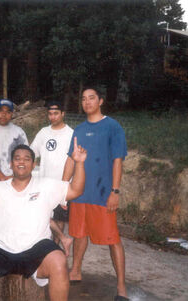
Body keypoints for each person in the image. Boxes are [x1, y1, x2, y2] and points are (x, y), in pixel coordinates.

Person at [0, 142, 87, 301]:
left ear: (33, 164)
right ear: (11, 164)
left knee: (59, 261)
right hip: (0, 245)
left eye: (26, 159)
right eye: (17, 158)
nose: (21, 161)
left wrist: (79, 163)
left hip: (37, 246)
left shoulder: (47, 185)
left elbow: (75, 190)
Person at [62, 87, 129, 300]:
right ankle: (75, 269)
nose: (87, 102)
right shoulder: (79, 130)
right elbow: (71, 160)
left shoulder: (112, 127)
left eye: (92, 98)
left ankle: (121, 286)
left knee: (112, 239)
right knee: (79, 234)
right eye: (83, 99)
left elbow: (118, 160)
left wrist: (115, 191)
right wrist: (63, 189)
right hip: (80, 193)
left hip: (102, 194)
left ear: (100, 101)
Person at [30, 101, 73, 254]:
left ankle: (54, 249)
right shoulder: (43, 132)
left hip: (62, 185)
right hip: (43, 183)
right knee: (43, 216)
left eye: (56, 113)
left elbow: (73, 160)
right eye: (50, 114)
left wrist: (66, 184)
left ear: (63, 114)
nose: (53, 117)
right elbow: (32, 152)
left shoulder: (71, 134)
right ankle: (44, 245)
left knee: (60, 219)